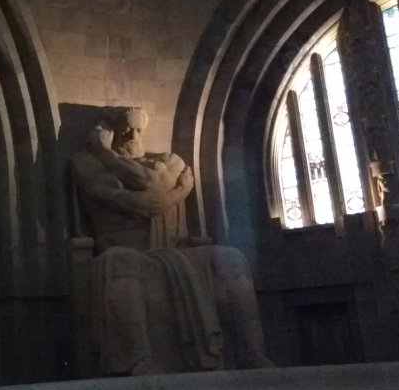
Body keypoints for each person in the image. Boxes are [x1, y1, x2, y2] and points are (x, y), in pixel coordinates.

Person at [72, 107, 272, 375]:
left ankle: (251, 355)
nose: (133, 136)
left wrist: (106, 154)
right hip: (121, 250)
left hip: (174, 251)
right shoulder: (86, 164)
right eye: (126, 130)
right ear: (110, 132)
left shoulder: (169, 159)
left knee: (229, 258)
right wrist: (179, 191)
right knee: (120, 263)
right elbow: (146, 203)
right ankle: (139, 363)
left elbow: (152, 186)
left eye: (138, 130)